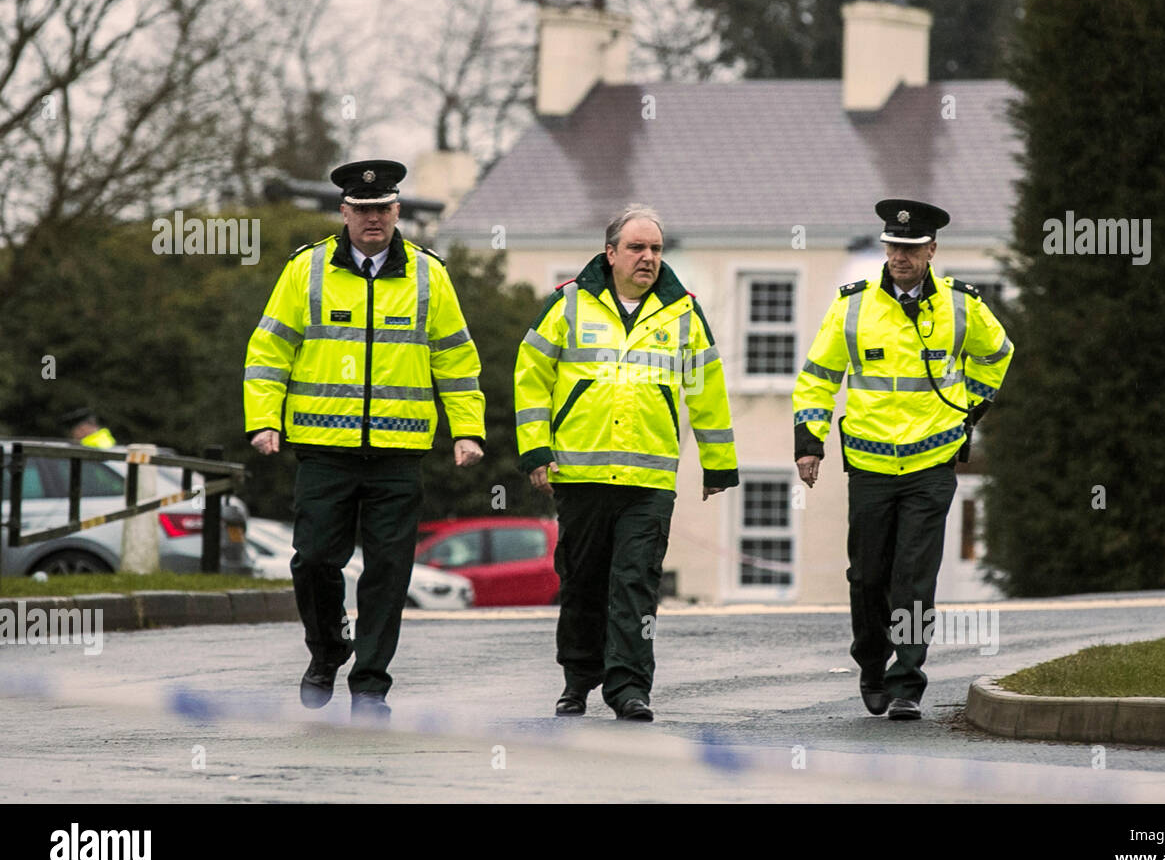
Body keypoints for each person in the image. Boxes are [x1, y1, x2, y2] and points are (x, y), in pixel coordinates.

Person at [243, 159, 485, 722]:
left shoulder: (429, 275)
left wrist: (467, 428)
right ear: (344, 213)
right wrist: (263, 418)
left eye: (383, 209)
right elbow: (270, 349)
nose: (373, 219)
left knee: (388, 571)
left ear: (397, 212)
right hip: (323, 449)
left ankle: (371, 684)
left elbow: (455, 357)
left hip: (399, 457)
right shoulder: (306, 271)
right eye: (363, 210)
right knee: (313, 561)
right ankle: (327, 649)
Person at [514, 205, 738, 721]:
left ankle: (630, 687)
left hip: (649, 479)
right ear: (610, 253)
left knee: (635, 584)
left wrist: (719, 464)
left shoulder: (683, 312)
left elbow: (707, 390)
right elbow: (530, 377)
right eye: (637, 248)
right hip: (581, 473)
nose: (648, 257)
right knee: (583, 581)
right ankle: (577, 680)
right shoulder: (568, 305)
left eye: (656, 249)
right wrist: (536, 450)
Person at [793, 199, 1013, 721]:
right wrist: (809, 442)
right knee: (868, 575)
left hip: (931, 465)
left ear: (931, 250)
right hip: (869, 466)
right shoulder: (853, 305)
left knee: (913, 577)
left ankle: (905, 682)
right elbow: (818, 377)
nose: (900, 256)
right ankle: (871, 665)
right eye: (893, 246)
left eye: (911, 249)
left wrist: (969, 413)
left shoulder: (960, 305)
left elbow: (998, 352)